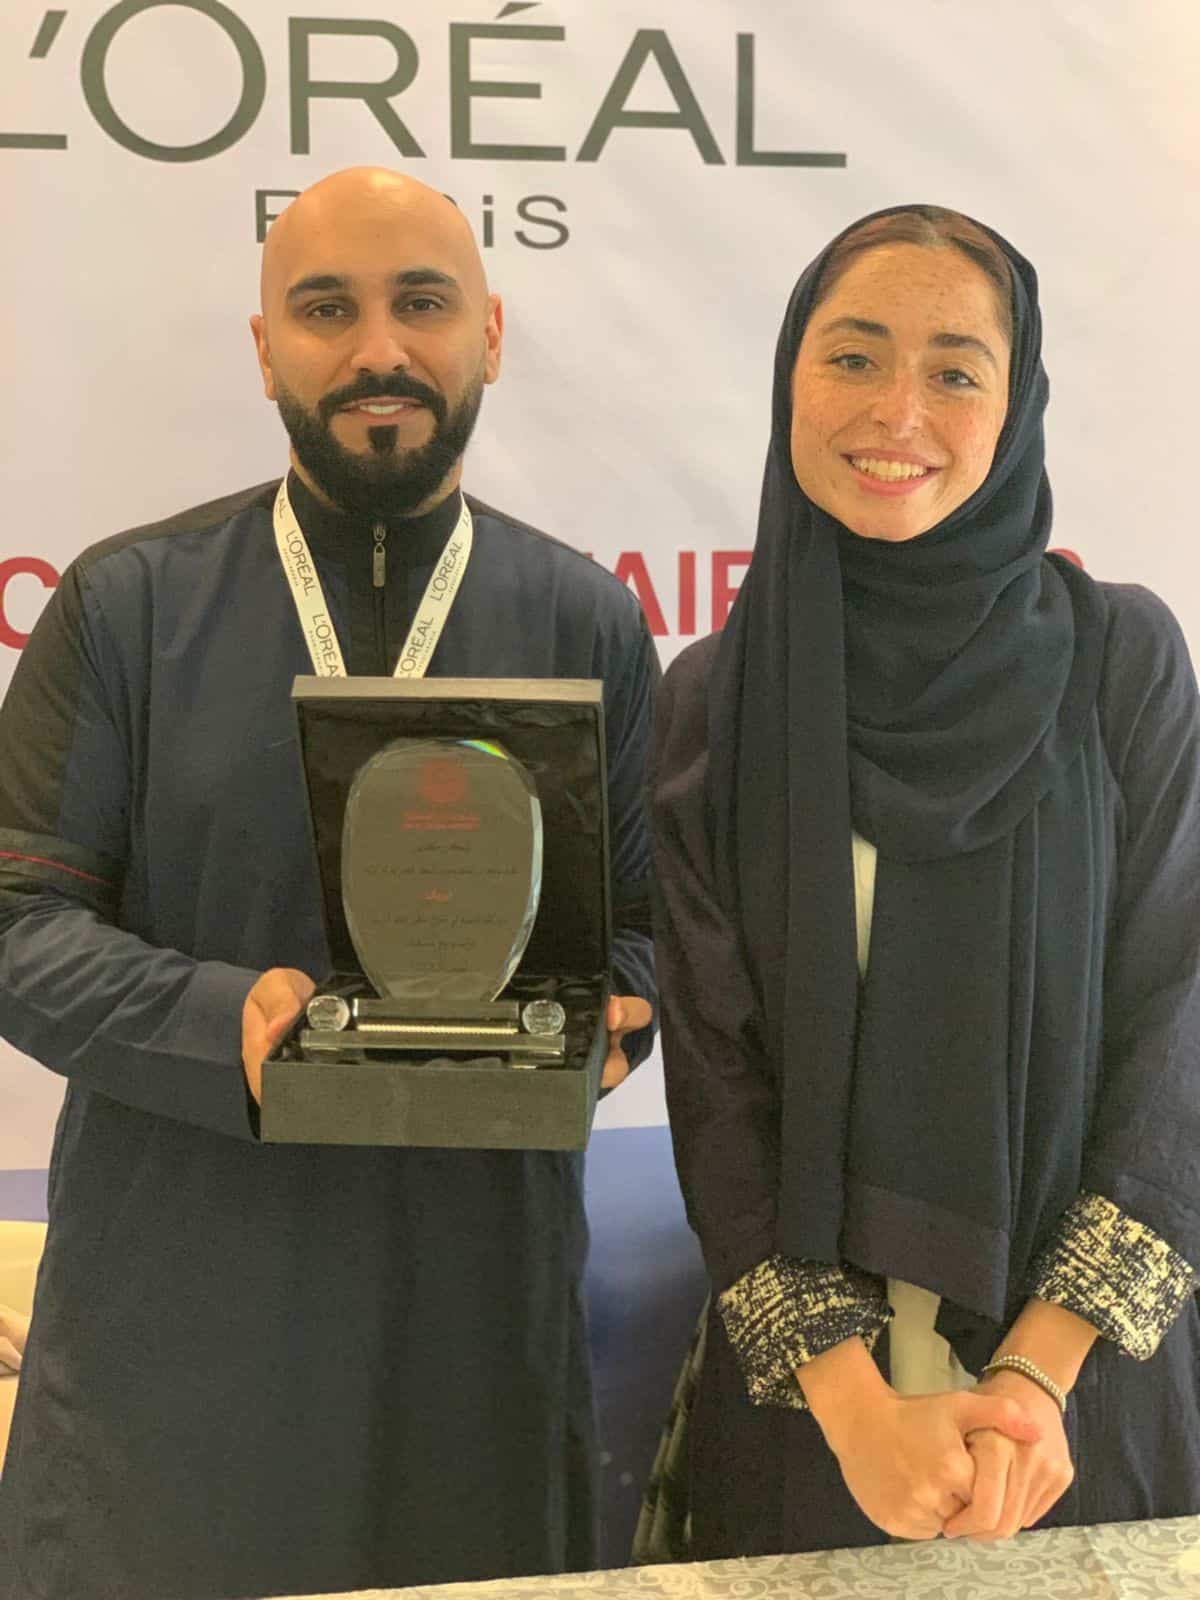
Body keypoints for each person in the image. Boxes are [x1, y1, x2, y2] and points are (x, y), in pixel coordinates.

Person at [0, 167, 657, 1600]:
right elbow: (16, 927)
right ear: (264, 349)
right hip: (181, 1332)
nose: (378, 349)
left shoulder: (587, 621)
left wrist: (619, 1012)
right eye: (325, 309)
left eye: (423, 302)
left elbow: (652, 929)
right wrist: (220, 1023)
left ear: (492, 334)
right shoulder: (125, 608)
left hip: (478, 1329)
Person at [648, 205, 1200, 1556]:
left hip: (1078, 1414)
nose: (898, 411)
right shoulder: (717, 704)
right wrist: (855, 1411)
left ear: (1016, 406)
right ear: (790, 380)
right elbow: (718, 1085)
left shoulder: (1118, 664)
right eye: (853, 357)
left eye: (955, 369)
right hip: (809, 1416)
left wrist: (1033, 1382)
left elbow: (1177, 1031)